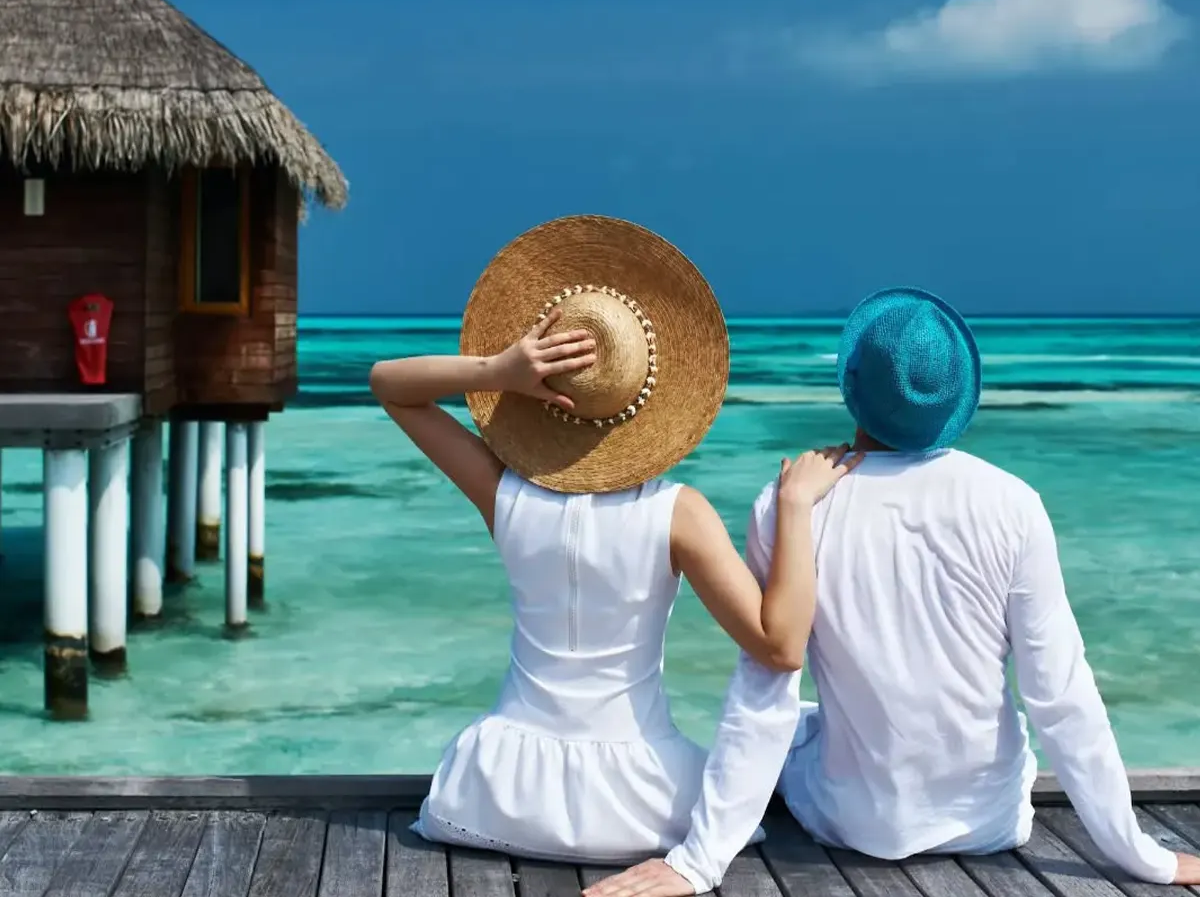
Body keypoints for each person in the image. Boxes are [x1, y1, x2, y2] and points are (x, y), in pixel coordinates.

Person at [588, 286, 1200, 896]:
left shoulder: (788, 506)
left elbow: (763, 692)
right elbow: (1060, 696)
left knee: (799, 723)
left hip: (853, 823)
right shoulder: (1013, 503)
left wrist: (699, 861)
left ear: (853, 387)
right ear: (956, 394)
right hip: (989, 821)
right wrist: (1147, 859)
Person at [368, 215, 861, 875]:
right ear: (654, 398)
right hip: (642, 806)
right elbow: (779, 645)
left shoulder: (504, 495)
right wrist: (796, 508)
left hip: (493, 797)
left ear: (544, 399)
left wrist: (497, 370)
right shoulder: (677, 514)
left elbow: (390, 387)